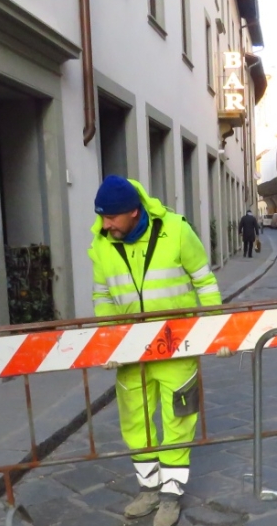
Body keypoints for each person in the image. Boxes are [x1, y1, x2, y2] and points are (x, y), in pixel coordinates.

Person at [88, 175, 232, 526]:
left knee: (178, 420)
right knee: (135, 422)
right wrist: (109, 340)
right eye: (102, 217)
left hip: (176, 346)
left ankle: (170, 495)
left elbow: (205, 282)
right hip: (132, 352)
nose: (105, 225)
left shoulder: (177, 231)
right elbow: (103, 297)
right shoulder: (101, 245)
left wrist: (217, 332)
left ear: (133, 212)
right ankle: (148, 489)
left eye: (111, 218)